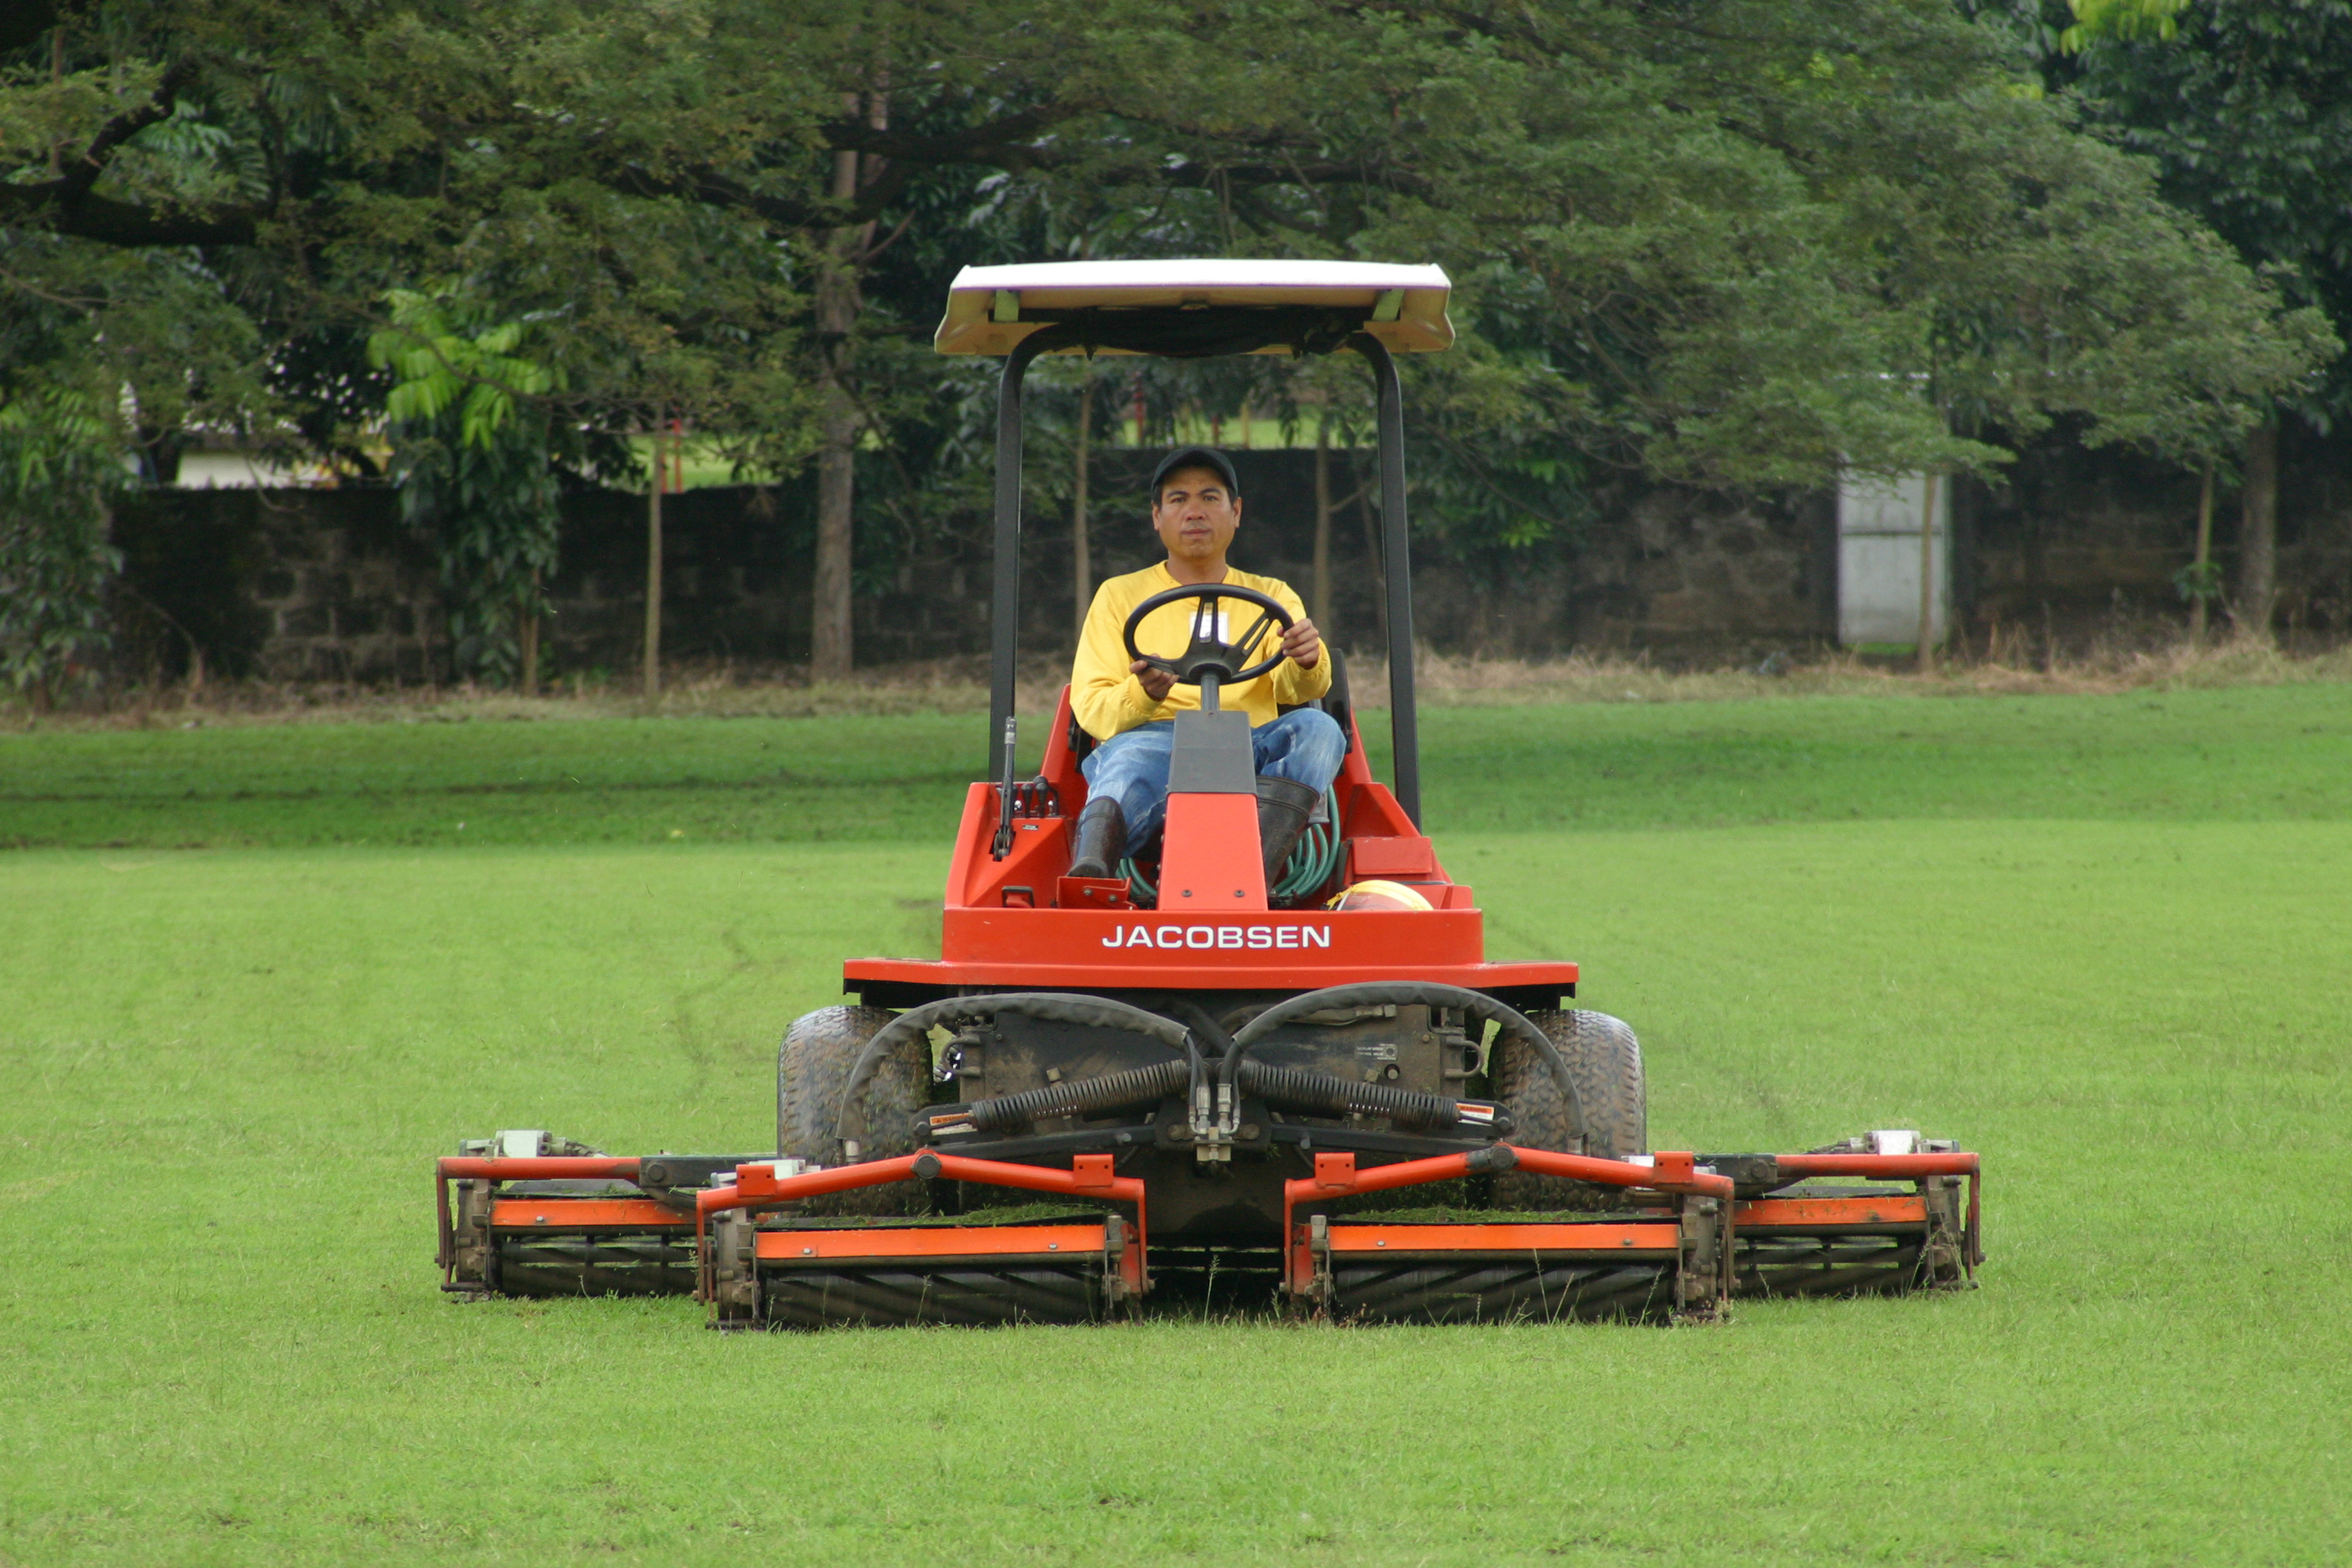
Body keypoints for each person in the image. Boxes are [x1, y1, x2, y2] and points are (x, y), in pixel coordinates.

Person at [1066, 446, 1347, 884]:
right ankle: (1093, 871)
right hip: (1157, 742)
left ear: (1235, 512)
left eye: (1210, 498)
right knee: (1127, 758)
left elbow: (1294, 690)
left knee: (1320, 731)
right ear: (1157, 516)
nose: (1194, 511)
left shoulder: (1272, 594)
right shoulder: (1118, 596)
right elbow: (1092, 709)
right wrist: (1144, 692)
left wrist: (1309, 659)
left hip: (1252, 745)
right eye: (1178, 499)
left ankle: (1254, 867)